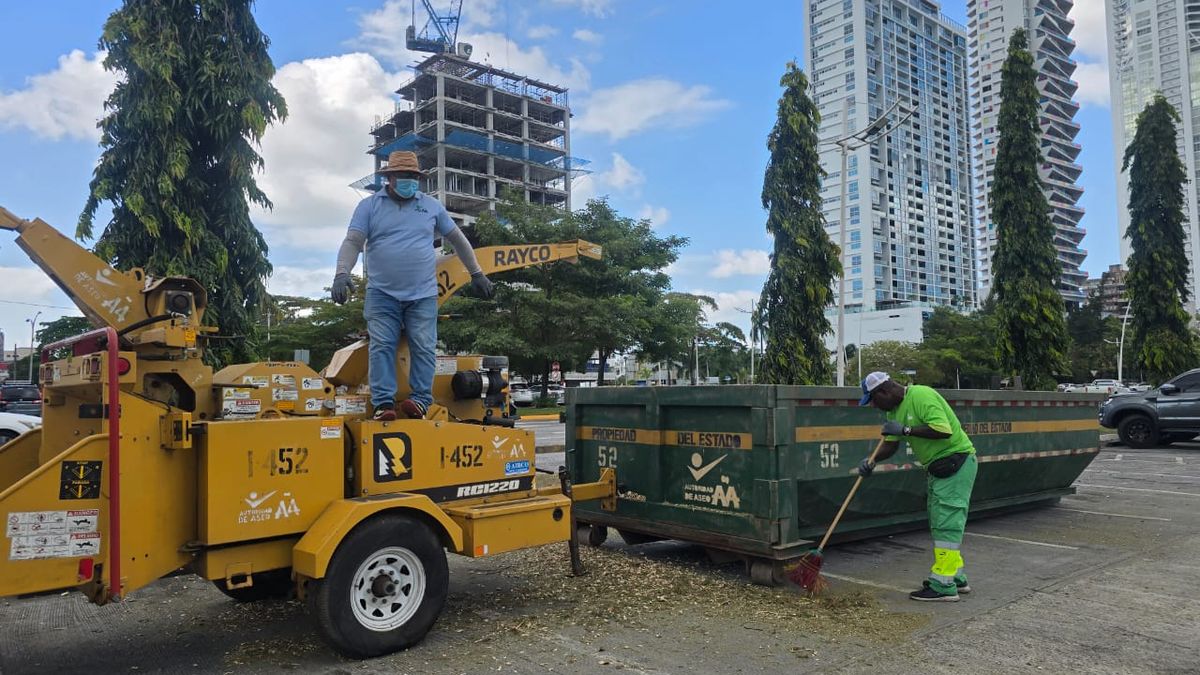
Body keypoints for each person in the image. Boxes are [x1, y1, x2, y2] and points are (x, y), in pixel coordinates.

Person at [331, 151, 493, 421]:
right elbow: (353, 242)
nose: (410, 181)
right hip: (382, 294)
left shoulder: (431, 206)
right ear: (390, 178)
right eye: (404, 175)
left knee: (424, 346)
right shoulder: (369, 206)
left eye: (414, 176)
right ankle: (383, 404)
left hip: (423, 294)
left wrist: (477, 273)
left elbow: (458, 239)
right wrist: (341, 273)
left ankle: (420, 401)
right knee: (381, 346)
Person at [857, 371, 978, 602]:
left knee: (947, 523)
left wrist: (906, 430)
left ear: (884, 391)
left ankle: (943, 586)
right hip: (938, 468)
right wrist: (871, 460)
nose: (873, 406)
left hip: (956, 462)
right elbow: (890, 445)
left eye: (873, 400)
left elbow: (943, 430)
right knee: (939, 522)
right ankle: (955, 576)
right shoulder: (893, 411)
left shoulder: (922, 395)